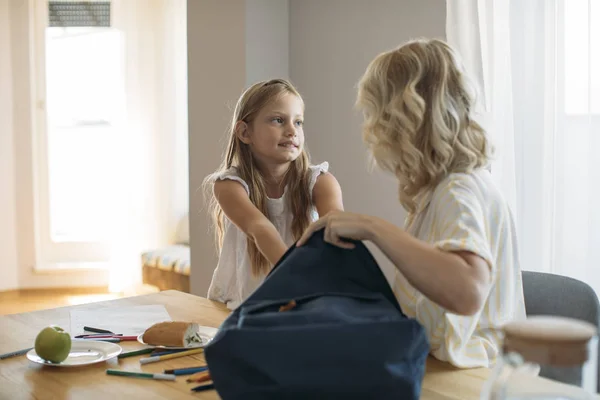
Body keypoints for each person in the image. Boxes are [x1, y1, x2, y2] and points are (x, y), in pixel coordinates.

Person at [297, 39, 525, 368]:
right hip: (448, 367)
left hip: (473, 379)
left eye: (375, 114)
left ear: (403, 119)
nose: (370, 128)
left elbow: (468, 291)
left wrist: (371, 227)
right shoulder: (449, 189)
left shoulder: (457, 191)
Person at [204, 78, 344, 310]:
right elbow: (260, 228)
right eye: (278, 120)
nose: (292, 131)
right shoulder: (229, 185)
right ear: (245, 132)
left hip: (303, 299)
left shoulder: (321, 182)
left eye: (298, 122)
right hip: (240, 303)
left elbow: (337, 231)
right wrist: (293, 281)